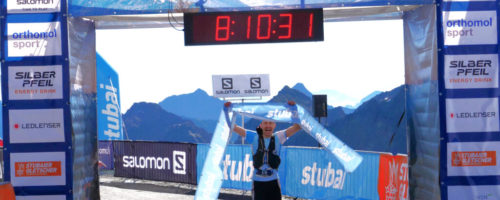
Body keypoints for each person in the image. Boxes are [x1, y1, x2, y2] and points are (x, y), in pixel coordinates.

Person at [225, 101, 301, 200]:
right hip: (257, 183)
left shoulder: (279, 137)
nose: (268, 126)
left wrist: (294, 110)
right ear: (261, 126)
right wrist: (226, 111)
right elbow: (232, 126)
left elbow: (298, 126)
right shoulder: (253, 136)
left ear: (274, 125)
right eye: (265, 123)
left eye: (270, 123)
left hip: (273, 182)